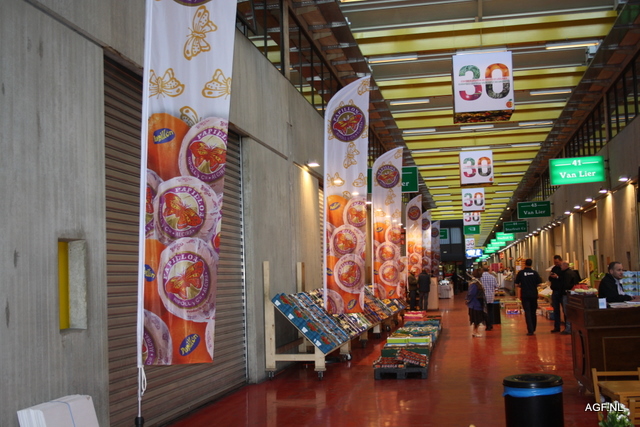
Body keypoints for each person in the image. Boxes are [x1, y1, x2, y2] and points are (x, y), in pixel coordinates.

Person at [514, 259, 543, 336]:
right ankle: (534, 327)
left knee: (527, 312)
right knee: (533, 311)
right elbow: (539, 284)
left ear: (525, 264)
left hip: (525, 295)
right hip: (533, 295)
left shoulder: (521, 273)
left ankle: (530, 330)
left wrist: (522, 285)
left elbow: (516, 284)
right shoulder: (535, 273)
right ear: (531, 264)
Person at [466, 269, 487, 337]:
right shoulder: (475, 283)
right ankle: (475, 331)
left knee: (477, 319)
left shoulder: (476, 282)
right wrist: (468, 300)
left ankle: (475, 331)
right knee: (476, 319)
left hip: (476, 303)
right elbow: (471, 293)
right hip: (475, 304)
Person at [559, 261, 578, 334]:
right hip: (573, 294)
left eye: (561, 265)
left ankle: (568, 328)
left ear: (565, 265)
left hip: (566, 294)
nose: (560, 267)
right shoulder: (573, 273)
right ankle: (573, 327)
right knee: (571, 311)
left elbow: (566, 284)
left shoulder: (566, 274)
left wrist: (562, 290)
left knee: (567, 311)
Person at [548, 255, 564, 333]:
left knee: (564, 310)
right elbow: (550, 278)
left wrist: (557, 277)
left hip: (562, 292)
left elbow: (564, 279)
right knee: (556, 310)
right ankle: (557, 327)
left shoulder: (563, 269)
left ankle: (567, 327)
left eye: (557, 262)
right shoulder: (554, 268)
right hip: (555, 291)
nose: (556, 263)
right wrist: (551, 276)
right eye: (555, 262)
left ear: (560, 261)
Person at [480, 267, 498, 331]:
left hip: (483, 297)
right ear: (488, 270)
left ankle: (487, 325)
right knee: (490, 311)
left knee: (485, 311)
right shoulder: (493, 277)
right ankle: (491, 324)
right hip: (491, 297)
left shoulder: (480, 278)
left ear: (482, 270)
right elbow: (497, 286)